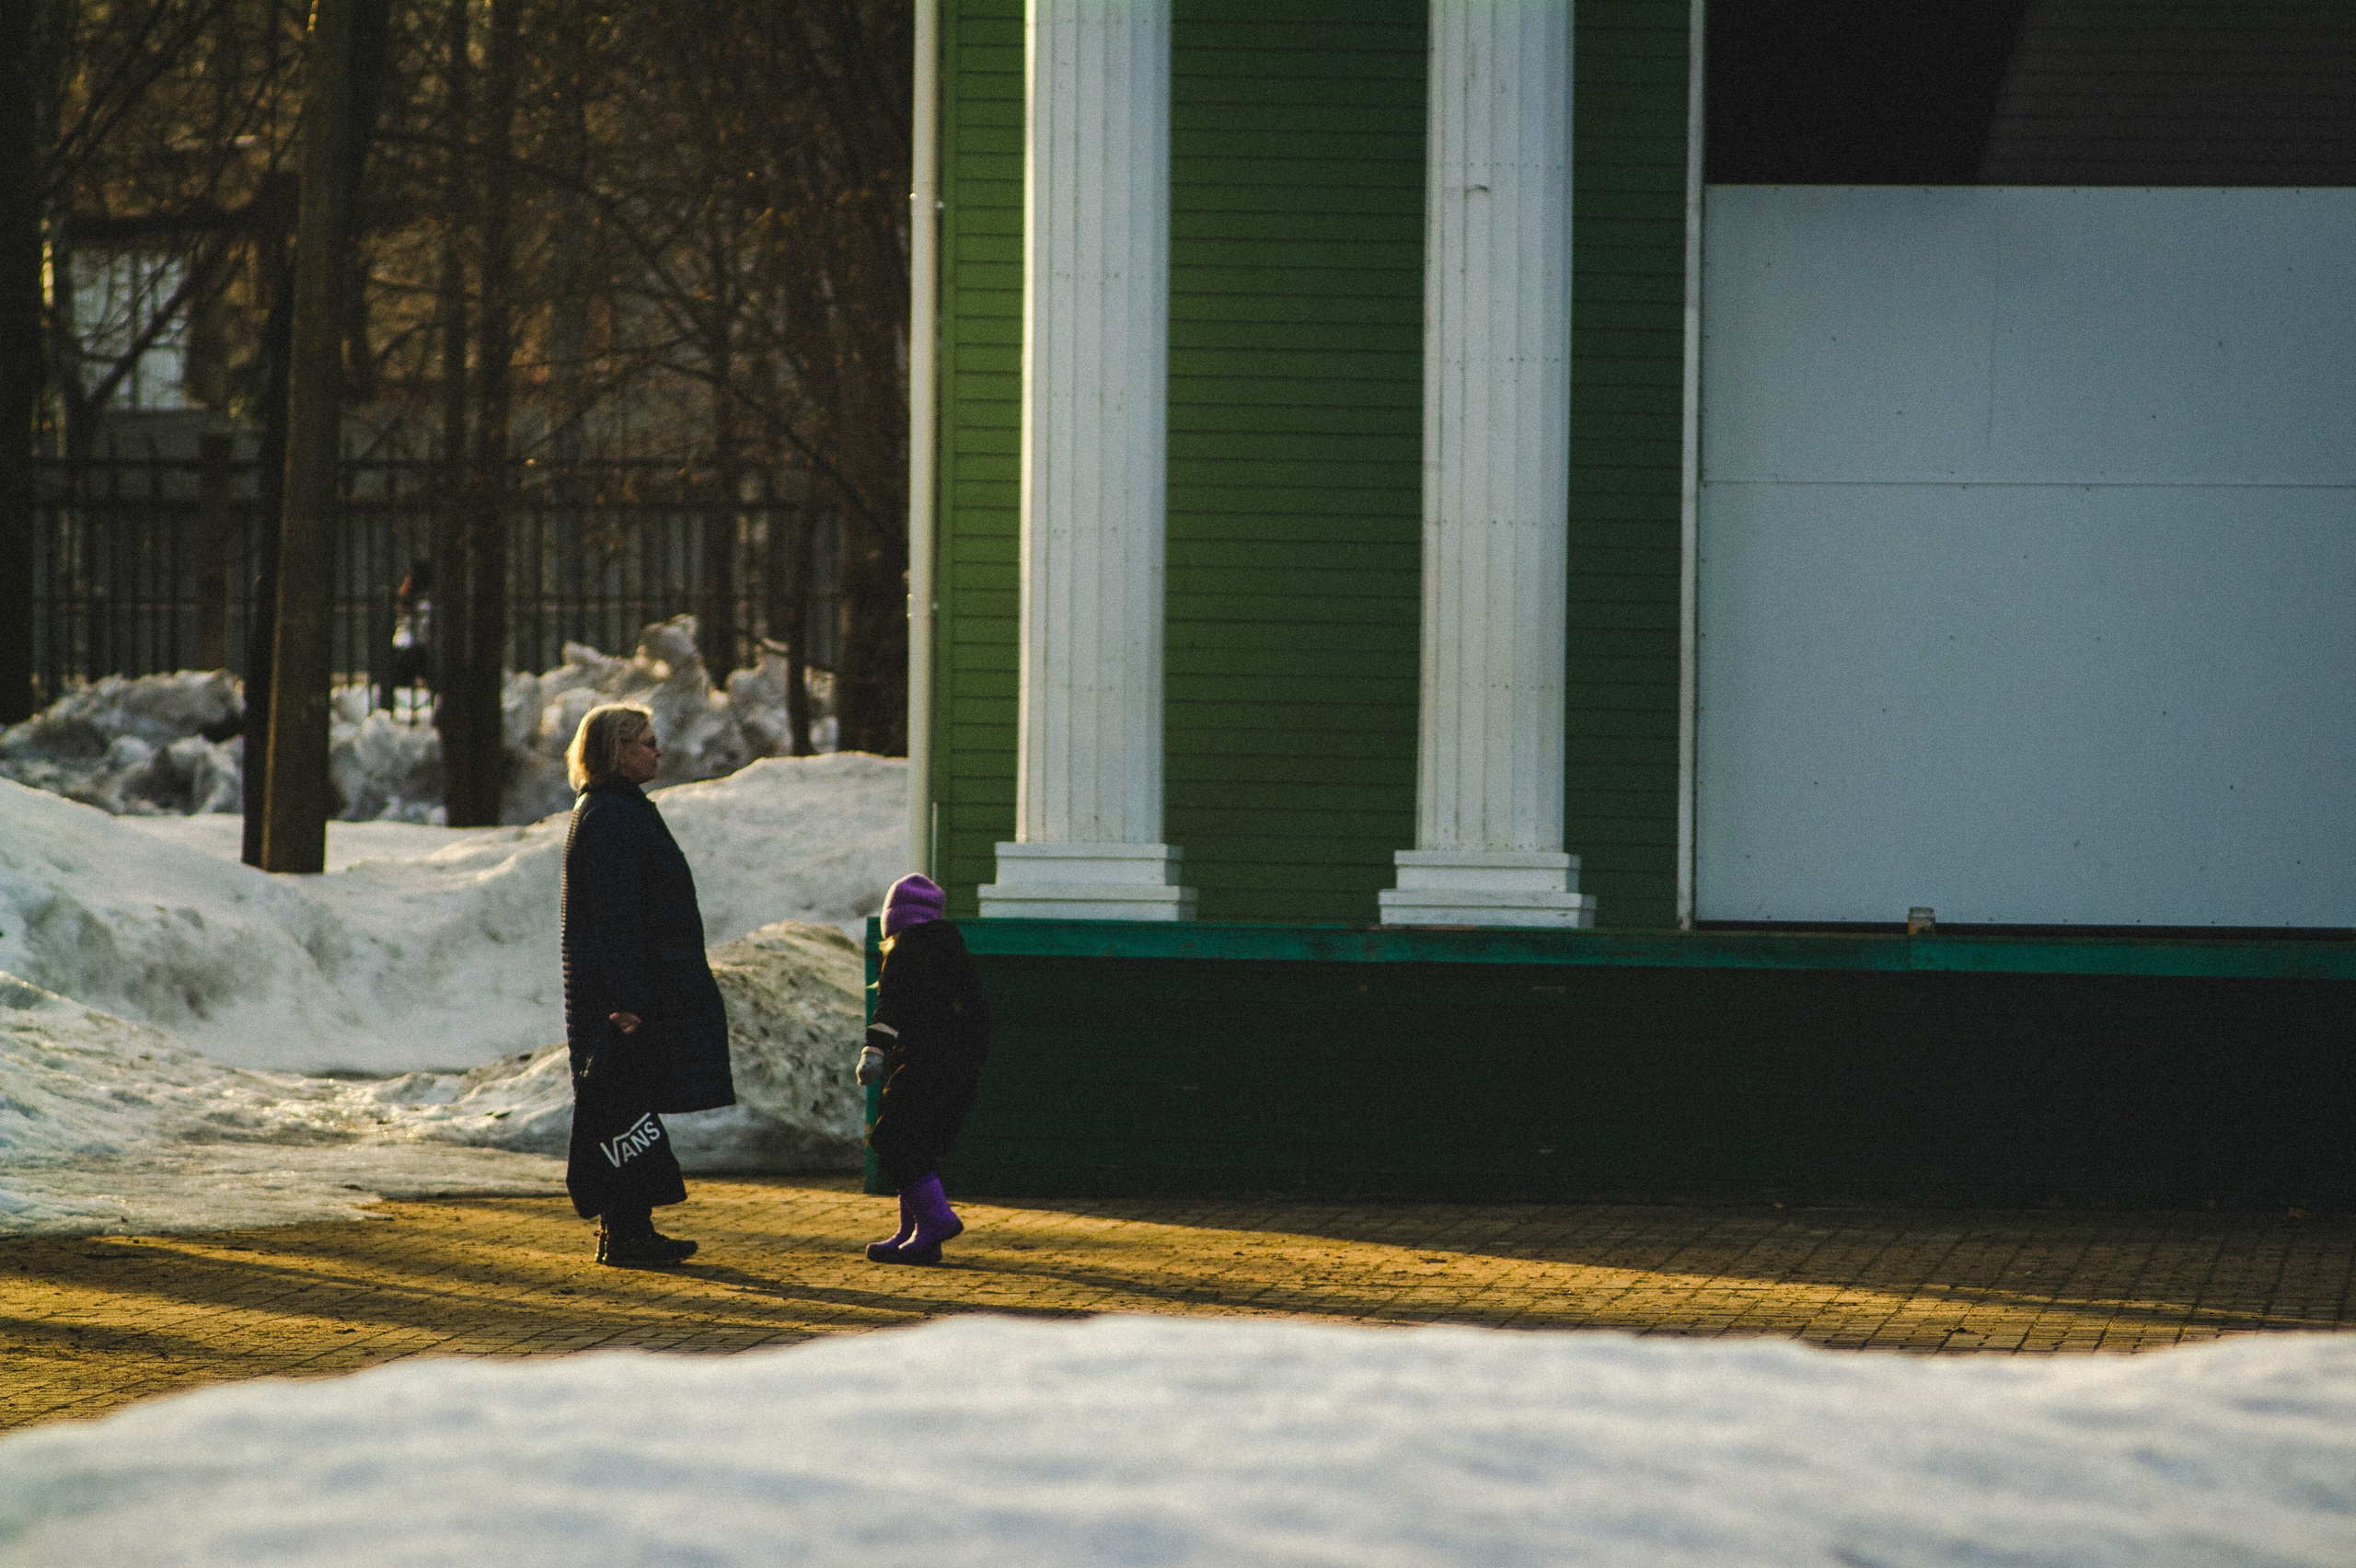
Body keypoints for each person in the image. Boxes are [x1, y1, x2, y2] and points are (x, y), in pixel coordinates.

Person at [560, 703, 736, 1265]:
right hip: (622, 998)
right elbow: (617, 915)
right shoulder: (611, 816)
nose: (658, 751)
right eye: (646, 742)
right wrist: (627, 999)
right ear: (617, 752)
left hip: (630, 990)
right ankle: (626, 1232)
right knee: (622, 1104)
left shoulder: (619, 810)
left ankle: (629, 1229)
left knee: (626, 1107)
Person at [859, 873, 989, 1264]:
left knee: (892, 1139)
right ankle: (916, 1234)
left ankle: (935, 1221)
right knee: (917, 1145)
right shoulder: (953, 949)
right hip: (957, 1065)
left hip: (925, 1062)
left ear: (894, 919)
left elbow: (891, 1007)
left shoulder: (906, 951)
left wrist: (874, 1051)